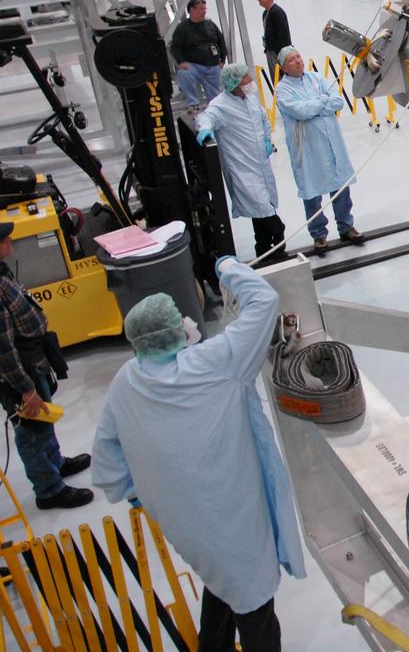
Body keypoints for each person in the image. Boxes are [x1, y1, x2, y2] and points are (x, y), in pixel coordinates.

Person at [93, 258, 306, 652]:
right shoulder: (213, 363)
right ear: (173, 331)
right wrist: (225, 265)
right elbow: (264, 301)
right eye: (180, 318)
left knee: (219, 578)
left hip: (182, 517)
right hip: (229, 514)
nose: (187, 322)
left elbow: (106, 454)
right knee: (252, 599)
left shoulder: (127, 379)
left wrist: (134, 491)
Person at [0, 222, 93, 510]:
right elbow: (3, 349)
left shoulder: (2, 273)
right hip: (20, 373)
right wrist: (26, 390)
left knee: (43, 421)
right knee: (30, 430)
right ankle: (49, 490)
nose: (11, 241)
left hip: (33, 363)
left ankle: (55, 463)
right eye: (5, 238)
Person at [197, 64, 291, 263]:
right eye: (246, 78)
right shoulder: (221, 105)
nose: (250, 81)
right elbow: (206, 117)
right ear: (234, 83)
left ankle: (265, 252)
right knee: (264, 210)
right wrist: (205, 130)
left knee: (261, 213)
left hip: (261, 165)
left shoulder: (250, 100)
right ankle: (280, 237)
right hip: (241, 169)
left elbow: (263, 120)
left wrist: (267, 140)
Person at [274, 46, 364, 251]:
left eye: (298, 56)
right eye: (291, 60)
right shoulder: (283, 89)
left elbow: (338, 101)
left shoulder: (317, 77)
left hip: (331, 143)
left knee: (340, 186)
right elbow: (301, 111)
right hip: (308, 149)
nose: (297, 61)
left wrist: (316, 104)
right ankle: (319, 234)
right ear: (284, 68)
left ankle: (346, 226)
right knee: (312, 190)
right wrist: (322, 101)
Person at [169, 0, 227, 109]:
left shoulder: (210, 25)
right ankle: (193, 103)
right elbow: (175, 47)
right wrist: (180, 62)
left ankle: (215, 109)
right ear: (191, 10)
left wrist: (222, 60)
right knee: (184, 74)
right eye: (201, 9)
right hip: (194, 66)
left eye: (205, 9)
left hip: (213, 66)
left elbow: (221, 41)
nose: (204, 11)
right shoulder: (183, 28)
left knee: (215, 98)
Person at [257, 0, 292, 83]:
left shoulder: (277, 13)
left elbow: (284, 35)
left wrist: (282, 54)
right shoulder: (265, 13)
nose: (258, 0)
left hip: (278, 53)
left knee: (281, 78)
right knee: (275, 78)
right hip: (270, 51)